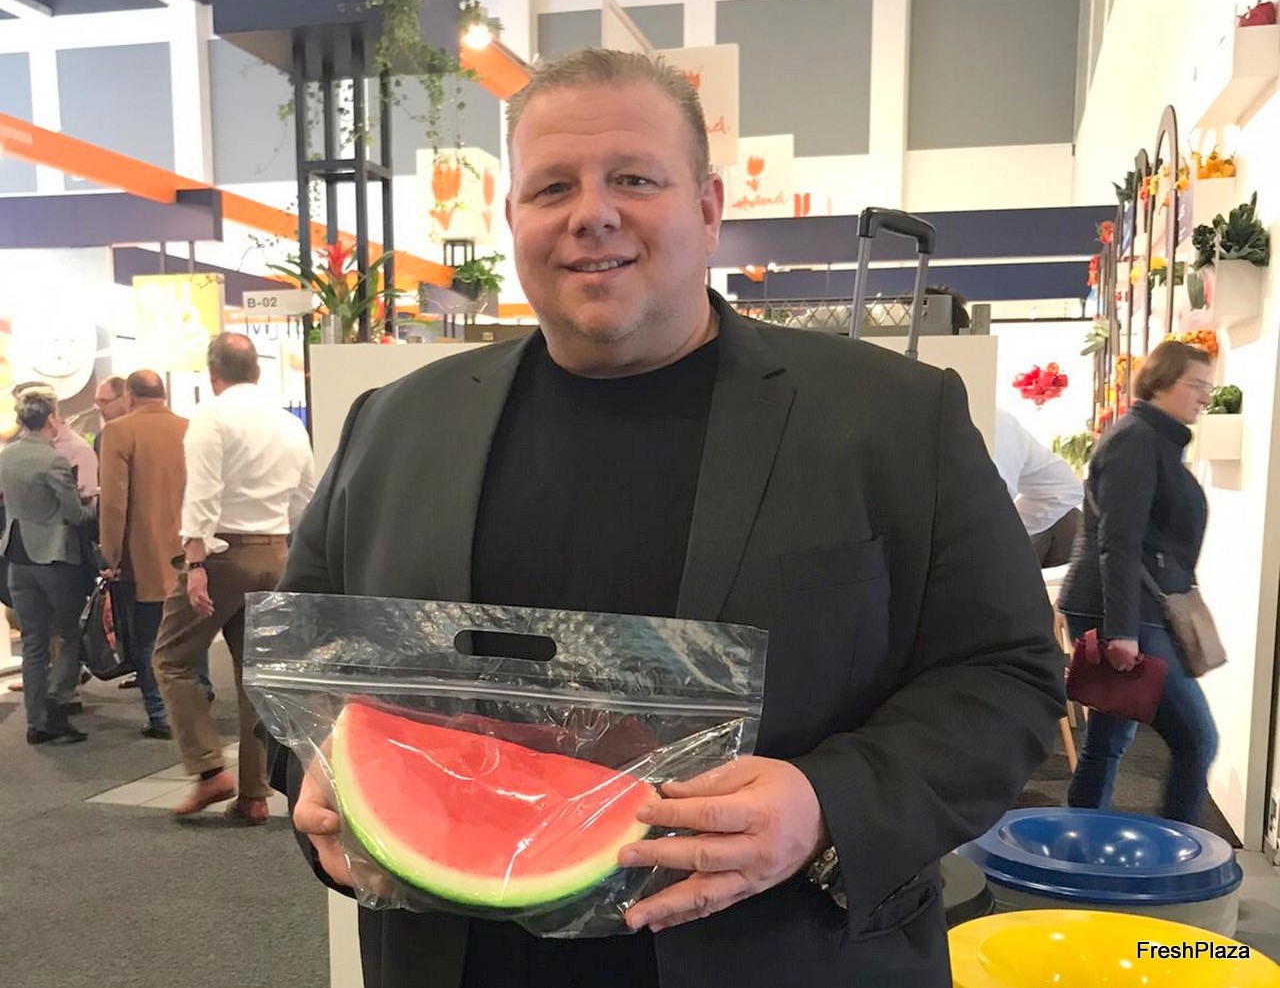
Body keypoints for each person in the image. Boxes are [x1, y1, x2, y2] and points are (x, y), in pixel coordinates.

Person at [279, 50, 1064, 988]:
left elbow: (1007, 674)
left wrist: (828, 805)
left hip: (784, 955)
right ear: (513, 218)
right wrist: (316, 781)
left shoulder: (893, 417)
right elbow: (303, 673)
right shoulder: (395, 426)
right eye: (553, 187)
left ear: (708, 207)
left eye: (634, 179)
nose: (592, 213)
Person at [152, 334, 316, 825]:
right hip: (277, 553)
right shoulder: (289, 424)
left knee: (171, 659)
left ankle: (208, 770)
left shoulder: (212, 416)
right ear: (257, 371)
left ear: (212, 373)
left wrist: (195, 562)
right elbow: (305, 499)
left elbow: (203, 493)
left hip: (223, 553)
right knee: (254, 675)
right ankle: (254, 794)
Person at [1058, 341, 1218, 823]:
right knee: (1197, 738)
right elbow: (1119, 541)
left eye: (1208, 387)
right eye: (1196, 385)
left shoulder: (1153, 440)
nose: (1205, 397)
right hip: (1125, 609)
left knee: (1108, 739)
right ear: (1161, 382)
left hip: (1131, 604)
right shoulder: (1137, 441)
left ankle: (1081, 841)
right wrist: (1122, 631)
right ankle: (1180, 850)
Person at [0, 384, 95, 744]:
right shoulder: (53, 460)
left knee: (34, 641)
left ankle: (36, 720)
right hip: (54, 557)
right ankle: (56, 704)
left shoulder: (7, 456)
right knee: (70, 634)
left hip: (17, 557)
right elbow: (74, 515)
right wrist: (92, 504)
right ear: (52, 418)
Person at [97, 370, 189, 739]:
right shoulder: (188, 428)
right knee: (188, 631)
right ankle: (198, 698)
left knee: (149, 637)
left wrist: (110, 555)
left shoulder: (119, 432)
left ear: (130, 396)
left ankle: (161, 714)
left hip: (144, 554)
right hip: (189, 551)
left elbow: (113, 503)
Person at [993, 408, 1084, 567]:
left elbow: (1064, 490)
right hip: (992, 560)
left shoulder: (999, 421)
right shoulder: (1001, 421)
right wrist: (1002, 528)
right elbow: (1064, 490)